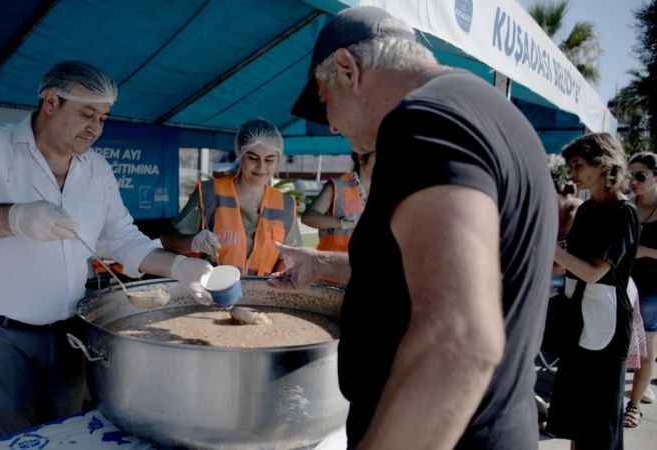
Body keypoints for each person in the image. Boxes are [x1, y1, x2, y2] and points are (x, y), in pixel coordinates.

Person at [271, 6, 556, 449]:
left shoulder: (425, 120)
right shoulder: (486, 108)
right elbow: (428, 269)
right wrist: (319, 262)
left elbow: (458, 341)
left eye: (324, 100)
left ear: (348, 70)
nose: (328, 123)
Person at [0, 61, 213, 444]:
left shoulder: (95, 169)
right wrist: (13, 218)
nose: (96, 128)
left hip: (67, 334)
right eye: (86, 114)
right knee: (4, 441)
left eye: (103, 117)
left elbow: (121, 238)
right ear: (50, 101)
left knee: (66, 435)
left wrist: (180, 266)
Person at [546, 133, 639, 449]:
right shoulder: (585, 211)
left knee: (600, 423)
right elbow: (564, 267)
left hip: (607, 325)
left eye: (577, 165)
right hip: (576, 318)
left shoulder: (624, 213)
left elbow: (591, 271)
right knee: (576, 418)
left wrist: (548, 244)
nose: (572, 173)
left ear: (603, 165)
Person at [161, 118, 302, 275]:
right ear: (240, 154)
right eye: (252, 158)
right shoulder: (209, 193)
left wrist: (283, 270)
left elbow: (291, 256)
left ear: (278, 159)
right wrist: (193, 242)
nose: (261, 167)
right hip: (214, 292)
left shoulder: (286, 205)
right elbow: (168, 241)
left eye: (269, 159)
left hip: (264, 294)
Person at [624, 151, 657, 426]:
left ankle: (633, 406)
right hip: (623, 284)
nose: (633, 181)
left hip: (651, 288)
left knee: (647, 351)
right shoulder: (627, 206)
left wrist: (642, 250)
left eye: (640, 175)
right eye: (630, 175)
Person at [302, 151, 374, 252]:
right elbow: (308, 218)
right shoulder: (337, 186)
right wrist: (344, 223)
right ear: (361, 157)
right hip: (334, 263)